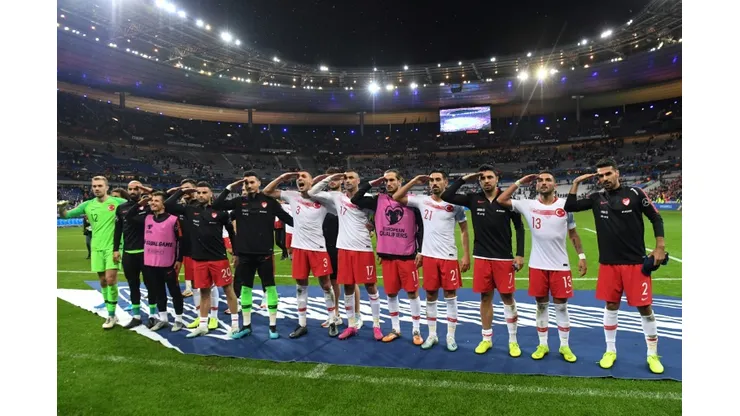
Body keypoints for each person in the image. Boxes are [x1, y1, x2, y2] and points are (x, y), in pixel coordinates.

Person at [564, 158, 667, 374]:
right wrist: (575, 183)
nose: (604, 178)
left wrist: (660, 247)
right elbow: (570, 206)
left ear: (617, 173)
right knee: (611, 305)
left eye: (608, 174)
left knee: (644, 308)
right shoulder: (596, 198)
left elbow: (656, 218)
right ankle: (610, 350)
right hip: (608, 264)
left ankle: (652, 354)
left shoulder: (636, 193)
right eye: (600, 176)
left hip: (635, 263)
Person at [497, 172, 586, 363]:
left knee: (561, 307)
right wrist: (520, 181)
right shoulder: (528, 204)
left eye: (548, 180)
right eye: (540, 180)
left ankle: (564, 346)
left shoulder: (566, 206)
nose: (543, 183)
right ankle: (543, 344)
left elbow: (573, 234)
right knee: (541, 306)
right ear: (535, 185)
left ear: (555, 185)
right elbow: (501, 199)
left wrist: (581, 256)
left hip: (560, 265)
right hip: (537, 265)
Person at [440, 165, 525, 357]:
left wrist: (519, 254)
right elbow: (447, 195)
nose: (486, 180)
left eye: (489, 177)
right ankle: (486, 339)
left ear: (497, 179)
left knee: (507, 298)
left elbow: (519, 228)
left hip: (504, 257)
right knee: (485, 298)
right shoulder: (473, 199)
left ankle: (513, 341)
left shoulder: (507, 199)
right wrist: (464, 178)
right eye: (482, 178)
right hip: (481, 257)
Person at [393, 170, 470, 351]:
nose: (434, 183)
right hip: (428, 257)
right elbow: (397, 197)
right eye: (431, 180)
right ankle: (432, 335)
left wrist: (466, 254)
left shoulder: (455, 205)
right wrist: (414, 180)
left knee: (450, 296)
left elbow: (464, 230)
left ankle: (450, 336)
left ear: (446, 182)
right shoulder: (422, 200)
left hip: (448, 257)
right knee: (430, 296)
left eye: (438, 180)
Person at [213, 172, 294, 339]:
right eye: (246, 183)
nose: (248, 185)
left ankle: (272, 327)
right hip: (245, 254)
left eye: (251, 182)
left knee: (270, 288)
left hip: (265, 254)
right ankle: (246, 326)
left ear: (259, 183)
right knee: (246, 288)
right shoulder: (239, 202)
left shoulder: (269, 202)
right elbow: (217, 205)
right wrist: (230, 187)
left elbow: (289, 219)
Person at [351, 169, 425, 345]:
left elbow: (421, 228)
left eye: (392, 180)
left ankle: (416, 330)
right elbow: (356, 199)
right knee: (391, 293)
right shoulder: (378, 200)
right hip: (387, 256)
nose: (388, 183)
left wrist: (421, 250)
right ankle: (395, 329)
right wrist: (372, 183)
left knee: (412, 292)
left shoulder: (412, 201)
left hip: (407, 255)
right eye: (386, 181)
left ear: (400, 181)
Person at [263, 171, 339, 338]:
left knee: (326, 285)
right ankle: (302, 324)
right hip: (299, 248)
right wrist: (282, 178)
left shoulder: (322, 200)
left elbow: (341, 209)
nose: (300, 179)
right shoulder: (292, 196)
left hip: (318, 249)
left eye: (304, 177)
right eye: (298, 178)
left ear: (312, 181)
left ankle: (333, 320)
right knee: (300, 287)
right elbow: (267, 192)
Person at [309, 171, 380, 340]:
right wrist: (329, 178)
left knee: (370, 286)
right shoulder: (337, 197)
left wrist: (373, 224)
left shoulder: (367, 197)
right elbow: (312, 193)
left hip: (363, 247)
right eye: (345, 178)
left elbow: (381, 215)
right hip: (344, 248)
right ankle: (351, 325)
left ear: (358, 180)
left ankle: (376, 326)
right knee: (348, 286)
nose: (347, 181)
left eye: (350, 178)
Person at [165, 182, 240, 338]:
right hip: (199, 259)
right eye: (198, 192)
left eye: (204, 192)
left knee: (228, 290)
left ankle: (235, 325)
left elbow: (231, 233)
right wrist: (182, 191)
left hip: (218, 258)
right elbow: (168, 205)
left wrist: (235, 252)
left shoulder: (220, 212)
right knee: (204, 292)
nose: (201, 195)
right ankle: (203, 325)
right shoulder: (190, 210)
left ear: (211, 194)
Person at [57, 176, 127, 329]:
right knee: (102, 281)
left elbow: (136, 207)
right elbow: (66, 215)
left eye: (100, 185)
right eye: (94, 186)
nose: (96, 188)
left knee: (110, 279)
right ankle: (111, 313)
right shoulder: (87, 205)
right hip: (96, 247)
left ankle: (111, 315)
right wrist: (61, 208)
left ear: (107, 187)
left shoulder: (118, 202)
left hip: (113, 247)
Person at [126, 192, 185, 331]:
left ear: (164, 204)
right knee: (158, 291)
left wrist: (179, 259)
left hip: (168, 263)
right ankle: (163, 319)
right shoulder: (147, 218)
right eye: (152, 201)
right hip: (151, 263)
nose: (153, 203)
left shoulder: (173, 220)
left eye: (156, 201)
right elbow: (128, 216)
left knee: (174, 291)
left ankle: (179, 319)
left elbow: (181, 241)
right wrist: (140, 204)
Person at [168, 179, 219, 329]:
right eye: (183, 189)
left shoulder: (202, 206)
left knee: (211, 286)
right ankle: (200, 316)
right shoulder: (184, 207)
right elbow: (168, 204)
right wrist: (180, 191)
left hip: (207, 250)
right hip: (189, 251)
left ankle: (214, 317)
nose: (187, 191)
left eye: (189, 189)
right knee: (196, 286)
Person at [318, 167, 362, 330]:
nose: (333, 181)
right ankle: (335, 314)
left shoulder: (346, 198)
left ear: (342, 180)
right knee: (332, 281)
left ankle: (357, 314)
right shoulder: (322, 198)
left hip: (345, 243)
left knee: (350, 281)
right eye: (330, 178)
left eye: (336, 178)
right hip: (326, 243)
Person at [113, 181, 157, 329]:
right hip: (128, 253)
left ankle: (152, 315)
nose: (132, 191)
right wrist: (115, 249)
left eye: (136, 188)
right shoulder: (121, 208)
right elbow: (118, 229)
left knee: (151, 284)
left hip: (147, 252)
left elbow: (162, 198)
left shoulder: (150, 206)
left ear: (141, 190)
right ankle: (136, 316)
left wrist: (150, 192)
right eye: (130, 189)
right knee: (133, 284)